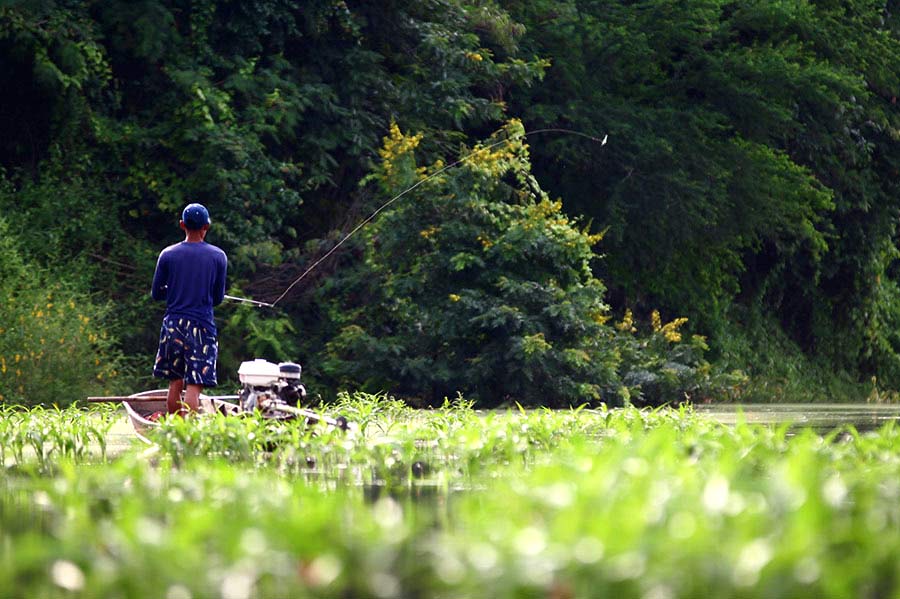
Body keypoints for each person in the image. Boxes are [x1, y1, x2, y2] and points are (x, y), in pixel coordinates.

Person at [151, 203, 228, 415]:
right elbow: (218, 299)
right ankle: (190, 436)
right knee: (194, 386)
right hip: (201, 326)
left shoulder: (167, 254)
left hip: (173, 325)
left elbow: (156, 294)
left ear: (182, 225)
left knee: (175, 383)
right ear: (207, 226)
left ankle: (176, 432)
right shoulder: (218, 256)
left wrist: (174, 291)